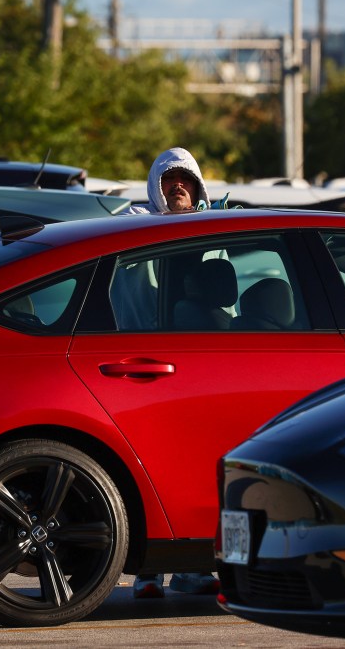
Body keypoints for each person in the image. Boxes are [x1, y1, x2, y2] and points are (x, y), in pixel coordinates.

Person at [123, 147, 222, 599]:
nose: (178, 185)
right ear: (155, 186)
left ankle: (190, 568)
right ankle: (147, 573)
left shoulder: (211, 231)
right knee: (148, 469)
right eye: (169, 179)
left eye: (186, 178)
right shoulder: (135, 229)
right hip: (143, 368)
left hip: (199, 369)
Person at [123, 147, 211, 215]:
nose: (177, 183)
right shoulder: (135, 216)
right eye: (169, 177)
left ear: (198, 187)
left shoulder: (211, 224)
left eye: (186, 178)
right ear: (156, 185)